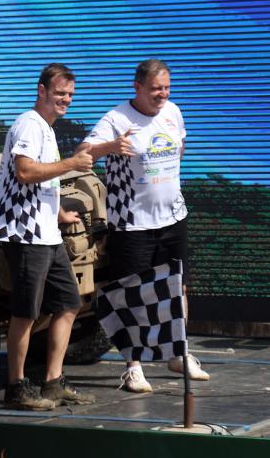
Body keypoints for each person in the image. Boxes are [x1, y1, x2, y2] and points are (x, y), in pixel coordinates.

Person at [76, 58, 209, 393]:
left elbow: (180, 148)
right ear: (137, 88)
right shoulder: (117, 118)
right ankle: (133, 366)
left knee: (177, 288)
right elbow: (82, 152)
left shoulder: (173, 112)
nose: (161, 94)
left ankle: (178, 352)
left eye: (165, 88)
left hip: (173, 217)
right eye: (154, 89)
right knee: (133, 294)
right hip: (132, 223)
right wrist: (110, 146)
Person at [0, 63, 96, 410]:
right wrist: (70, 164)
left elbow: (40, 182)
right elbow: (24, 172)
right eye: (59, 93)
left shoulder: (48, 130)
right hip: (24, 235)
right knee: (25, 313)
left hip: (46, 234)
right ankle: (16, 387)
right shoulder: (29, 124)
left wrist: (57, 213)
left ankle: (52, 382)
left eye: (69, 94)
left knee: (69, 304)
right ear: (41, 91)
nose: (65, 99)